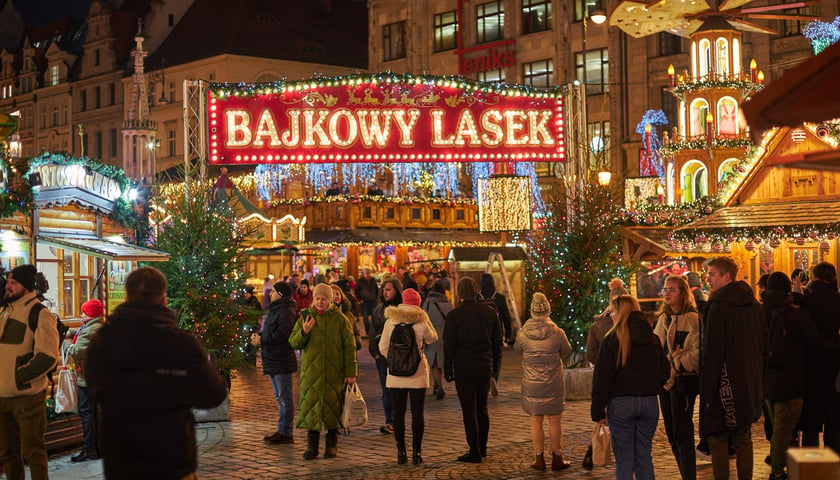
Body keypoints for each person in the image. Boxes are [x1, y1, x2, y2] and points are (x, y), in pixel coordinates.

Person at [85, 267, 228, 479]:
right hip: (171, 458)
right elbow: (213, 394)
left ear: (127, 296)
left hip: (122, 459)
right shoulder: (181, 343)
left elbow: (94, 389)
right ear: (163, 299)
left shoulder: (102, 340)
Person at [762, 271, 834, 480]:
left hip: (766, 379)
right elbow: (817, 341)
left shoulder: (759, 312)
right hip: (791, 379)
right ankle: (777, 471)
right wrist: (833, 342)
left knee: (778, 427)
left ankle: (783, 464)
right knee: (783, 430)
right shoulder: (796, 313)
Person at [700, 256, 765, 480]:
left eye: (712, 274)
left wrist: (708, 389)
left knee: (717, 437)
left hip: (724, 381)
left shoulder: (718, 307)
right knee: (743, 437)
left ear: (726, 276)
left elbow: (713, 351)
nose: (708, 279)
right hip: (748, 381)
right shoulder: (754, 306)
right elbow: (762, 345)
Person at [591, 295, 669, 480]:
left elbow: (602, 378)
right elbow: (665, 372)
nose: (611, 316)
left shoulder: (612, 340)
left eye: (612, 311)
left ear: (620, 313)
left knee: (625, 460)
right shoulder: (652, 339)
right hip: (649, 403)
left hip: (621, 404)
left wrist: (598, 411)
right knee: (643, 456)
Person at [0, 265, 60, 480]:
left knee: (32, 452)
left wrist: (18, 377)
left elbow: (48, 356)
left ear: (26, 286)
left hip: (27, 398)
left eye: (13, 283)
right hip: (2, 397)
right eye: (7, 281)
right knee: (7, 453)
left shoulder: (39, 314)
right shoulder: (5, 311)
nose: (8, 286)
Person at [288, 283, 358, 460]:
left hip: (335, 373)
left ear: (330, 301)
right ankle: (312, 447)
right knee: (312, 408)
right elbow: (294, 342)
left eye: (324, 299)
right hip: (311, 373)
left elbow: (349, 348)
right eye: (317, 299)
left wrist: (351, 373)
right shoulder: (306, 317)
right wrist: (304, 331)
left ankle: (331, 446)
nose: (320, 302)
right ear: (314, 299)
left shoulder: (341, 320)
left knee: (333, 409)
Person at [443, 276, 502, 463]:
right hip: (484, 365)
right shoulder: (490, 313)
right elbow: (497, 344)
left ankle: (474, 450)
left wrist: (448, 368)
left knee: (469, 410)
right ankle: (482, 447)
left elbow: (449, 345)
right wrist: (496, 368)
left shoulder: (454, 316)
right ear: (476, 290)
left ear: (460, 292)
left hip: (464, 366)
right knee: (482, 408)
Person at [379, 288, 438, 465]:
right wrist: (426, 319)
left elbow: (383, 347)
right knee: (417, 413)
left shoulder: (391, 321)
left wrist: (395, 361)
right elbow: (433, 338)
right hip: (417, 373)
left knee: (398, 413)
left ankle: (400, 451)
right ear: (418, 303)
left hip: (396, 375)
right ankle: (417, 452)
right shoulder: (421, 322)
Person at [514, 292, 573, 471]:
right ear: (547, 310)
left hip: (532, 383)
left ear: (532, 311)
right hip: (553, 382)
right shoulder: (557, 332)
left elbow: (517, 350)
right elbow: (568, 351)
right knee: (555, 421)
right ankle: (557, 457)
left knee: (535, 421)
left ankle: (539, 458)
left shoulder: (523, 333)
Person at [654, 275, 700, 480]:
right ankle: (684, 474)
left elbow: (698, 352)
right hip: (665, 383)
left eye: (672, 289)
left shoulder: (692, 319)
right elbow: (655, 347)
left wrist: (677, 363)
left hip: (683, 381)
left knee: (683, 433)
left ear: (683, 293)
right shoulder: (663, 319)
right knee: (671, 433)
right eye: (665, 289)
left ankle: (689, 475)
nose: (667, 294)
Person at [582, 277, 628, 469]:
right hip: (626, 378)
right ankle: (619, 454)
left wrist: (603, 365)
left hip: (606, 378)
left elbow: (591, 353)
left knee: (607, 416)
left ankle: (595, 450)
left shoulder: (598, 324)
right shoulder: (628, 321)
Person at [796, 262, 840, 454]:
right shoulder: (837, 299)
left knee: (811, 418)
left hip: (810, 363)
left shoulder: (807, 301)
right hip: (835, 361)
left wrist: (797, 295)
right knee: (834, 414)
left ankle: (811, 459)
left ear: (814, 277)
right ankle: (834, 456)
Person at [251, 281, 298, 445]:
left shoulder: (286, 311)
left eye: (273, 292)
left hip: (281, 359)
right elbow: (271, 330)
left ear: (280, 294)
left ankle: (285, 431)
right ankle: (282, 430)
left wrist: (261, 339)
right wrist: (259, 336)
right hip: (273, 358)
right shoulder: (277, 309)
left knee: (284, 398)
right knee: (280, 397)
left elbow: (283, 334)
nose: (270, 294)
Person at [63, 299, 106, 463]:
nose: (81, 315)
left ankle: (89, 450)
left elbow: (76, 351)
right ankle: (96, 448)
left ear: (90, 314)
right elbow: (81, 333)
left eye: (83, 312)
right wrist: (70, 333)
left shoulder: (91, 331)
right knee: (93, 413)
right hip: (96, 378)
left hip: (86, 379)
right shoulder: (97, 326)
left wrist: (65, 343)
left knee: (86, 414)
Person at [369, 278, 402, 434]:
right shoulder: (378, 310)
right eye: (384, 289)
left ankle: (398, 419)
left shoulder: (402, 310)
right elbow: (372, 331)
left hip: (399, 356)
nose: (385, 292)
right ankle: (390, 420)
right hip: (382, 357)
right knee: (386, 389)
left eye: (388, 289)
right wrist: (374, 352)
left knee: (398, 388)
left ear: (396, 290)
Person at [421, 280, 451, 400]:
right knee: (439, 362)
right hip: (445, 335)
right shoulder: (448, 304)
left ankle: (439, 387)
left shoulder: (427, 304)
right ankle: (436, 385)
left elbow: (423, 321)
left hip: (431, 335)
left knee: (434, 363)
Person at [479, 273, 514, 345]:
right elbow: (506, 317)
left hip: (481, 334)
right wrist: (508, 334)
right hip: (497, 334)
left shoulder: (477, 298)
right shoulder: (499, 298)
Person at [329, 284, 362, 351]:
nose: (335, 296)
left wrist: (356, 343)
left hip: (349, 351)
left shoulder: (348, 313)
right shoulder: (327, 314)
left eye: (337, 294)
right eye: (332, 294)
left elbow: (356, 332)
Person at [354, 268, 378, 334]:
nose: (367, 275)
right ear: (363, 274)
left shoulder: (373, 280)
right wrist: (359, 299)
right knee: (365, 317)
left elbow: (376, 289)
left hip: (373, 300)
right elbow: (356, 291)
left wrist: (376, 297)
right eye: (366, 274)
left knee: (374, 316)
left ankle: (373, 330)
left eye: (368, 274)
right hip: (364, 301)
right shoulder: (360, 281)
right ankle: (368, 331)